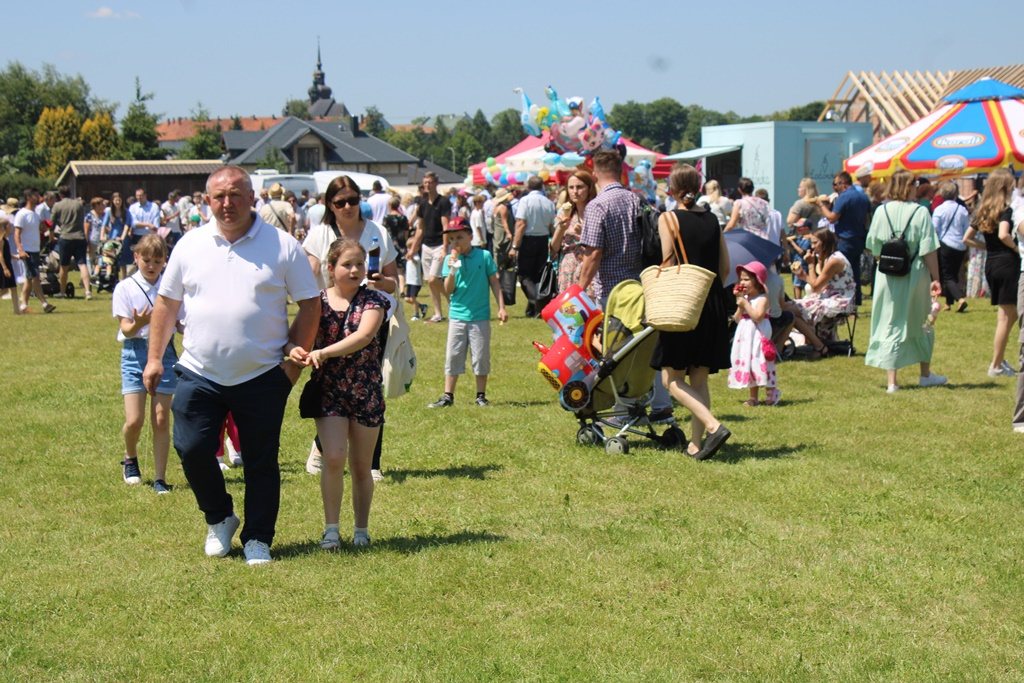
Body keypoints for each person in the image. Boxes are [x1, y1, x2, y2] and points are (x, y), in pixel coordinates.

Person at [143, 165, 321, 566]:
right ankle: (220, 516)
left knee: (260, 460)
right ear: (207, 200)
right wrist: (155, 358)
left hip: (262, 374)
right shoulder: (189, 244)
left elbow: (310, 303)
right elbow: (167, 303)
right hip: (199, 371)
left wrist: (295, 358)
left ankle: (258, 538)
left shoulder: (282, 245)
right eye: (219, 196)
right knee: (191, 448)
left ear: (252, 197)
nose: (227, 203)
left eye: (236, 194)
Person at [303, 174, 398, 481]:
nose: (347, 207)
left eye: (353, 200)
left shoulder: (377, 232)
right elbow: (307, 274)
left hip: (371, 315)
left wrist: (382, 282)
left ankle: (372, 462)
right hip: (331, 318)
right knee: (331, 386)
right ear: (330, 205)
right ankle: (322, 446)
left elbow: (394, 282)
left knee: (370, 388)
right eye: (340, 202)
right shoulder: (319, 234)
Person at [297, 238, 388, 549]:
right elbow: (295, 336)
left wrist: (324, 352)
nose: (354, 270)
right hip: (329, 390)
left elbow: (364, 336)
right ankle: (331, 531)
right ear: (330, 268)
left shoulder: (373, 300)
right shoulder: (316, 302)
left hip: (366, 390)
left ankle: (361, 530)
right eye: (347, 264)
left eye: (359, 264)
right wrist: (295, 350)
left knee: (362, 466)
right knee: (334, 458)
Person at [649, 164, 731, 459]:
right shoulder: (712, 219)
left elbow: (669, 264)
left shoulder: (668, 218)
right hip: (712, 302)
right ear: (698, 186)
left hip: (683, 304)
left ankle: (713, 426)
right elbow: (725, 268)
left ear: (671, 189)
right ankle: (696, 445)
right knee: (699, 378)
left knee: (670, 379)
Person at [112, 235, 183, 493]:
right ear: (136, 258)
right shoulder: (125, 287)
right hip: (134, 353)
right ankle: (130, 458)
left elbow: (181, 324)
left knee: (161, 419)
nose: (151, 265)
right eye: (146, 260)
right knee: (135, 420)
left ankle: (160, 478)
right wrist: (140, 322)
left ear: (165, 261)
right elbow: (126, 329)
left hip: (165, 352)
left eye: (157, 260)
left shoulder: (172, 288)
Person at [864, 170, 946, 392]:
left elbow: (874, 247)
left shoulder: (881, 211)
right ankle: (925, 374)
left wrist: (890, 262)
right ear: (908, 186)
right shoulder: (921, 212)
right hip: (915, 273)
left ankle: (892, 381)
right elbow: (929, 249)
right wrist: (936, 278)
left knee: (890, 320)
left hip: (887, 276)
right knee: (922, 320)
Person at [427, 217, 508, 408]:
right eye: (452, 239)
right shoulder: (449, 260)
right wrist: (452, 271)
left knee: (480, 357)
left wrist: (501, 307)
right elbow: (448, 290)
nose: (455, 242)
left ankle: (481, 395)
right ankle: (448, 396)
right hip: (457, 316)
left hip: (480, 316)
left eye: (459, 237)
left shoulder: (484, 256)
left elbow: (494, 283)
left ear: (470, 237)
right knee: (453, 356)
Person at [964, 168, 1019, 378]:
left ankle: (1000, 359)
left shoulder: (983, 209)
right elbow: (1004, 234)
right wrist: (1016, 248)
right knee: (1006, 317)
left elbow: (967, 238)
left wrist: (987, 247)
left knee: (1009, 315)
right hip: (1007, 263)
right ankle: (995, 365)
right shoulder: (1006, 209)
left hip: (992, 263)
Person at [787, 227, 856, 358]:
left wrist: (810, 265)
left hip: (840, 301)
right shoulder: (830, 258)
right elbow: (817, 284)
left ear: (825, 242)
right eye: (812, 243)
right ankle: (815, 343)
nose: (812, 247)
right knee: (788, 306)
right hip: (828, 297)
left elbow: (815, 287)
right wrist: (805, 276)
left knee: (791, 310)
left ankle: (818, 345)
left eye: (815, 243)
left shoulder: (834, 261)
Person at [729, 262, 780, 406]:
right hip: (746, 336)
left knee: (761, 360)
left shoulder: (763, 299)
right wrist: (741, 306)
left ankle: (771, 392)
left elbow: (758, 317)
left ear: (757, 281)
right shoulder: (745, 299)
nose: (742, 282)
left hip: (759, 335)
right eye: (741, 279)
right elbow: (737, 319)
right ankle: (753, 397)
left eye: (746, 279)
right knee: (749, 363)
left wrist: (746, 305)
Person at [820, 171, 872, 305]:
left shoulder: (844, 197)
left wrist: (821, 206)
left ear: (843, 183)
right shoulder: (863, 196)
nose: (835, 187)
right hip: (859, 239)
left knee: (843, 273)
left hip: (845, 240)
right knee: (855, 272)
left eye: (836, 184)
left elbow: (832, 218)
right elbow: (867, 219)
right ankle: (856, 301)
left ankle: (845, 301)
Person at [510, 175, 556, 317]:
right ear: (542, 186)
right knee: (538, 275)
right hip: (543, 240)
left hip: (528, 240)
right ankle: (532, 310)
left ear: (528, 187)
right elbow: (552, 226)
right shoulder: (549, 202)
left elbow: (521, 224)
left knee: (524, 276)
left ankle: (537, 302)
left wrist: (515, 246)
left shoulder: (525, 201)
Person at [549, 169, 597, 298]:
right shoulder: (565, 212)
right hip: (568, 269)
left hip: (589, 268)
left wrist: (585, 234)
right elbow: (554, 249)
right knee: (570, 307)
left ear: (589, 188)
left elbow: (603, 246)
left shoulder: (596, 212)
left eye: (580, 187)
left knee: (589, 306)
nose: (575, 191)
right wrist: (561, 229)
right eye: (571, 187)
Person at [13, 189, 56, 314]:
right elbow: (17, 233)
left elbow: (37, 231)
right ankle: (44, 303)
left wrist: (43, 228)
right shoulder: (22, 214)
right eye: (35, 195)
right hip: (27, 250)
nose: (38, 197)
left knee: (29, 279)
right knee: (35, 277)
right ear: (28, 197)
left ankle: (23, 305)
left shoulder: (35, 215)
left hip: (35, 249)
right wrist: (20, 250)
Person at [415, 172, 451, 323]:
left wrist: (445, 248)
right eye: (425, 183)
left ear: (436, 183)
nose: (427, 185)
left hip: (439, 245)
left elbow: (445, 226)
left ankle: (451, 300)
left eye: (430, 182)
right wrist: (413, 248)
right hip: (426, 246)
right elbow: (420, 228)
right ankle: (438, 313)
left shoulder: (443, 202)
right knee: (431, 282)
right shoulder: (422, 204)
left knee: (432, 279)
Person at [931, 180, 970, 313]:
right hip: (960, 245)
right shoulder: (962, 209)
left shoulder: (939, 209)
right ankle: (948, 303)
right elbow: (966, 229)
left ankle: (960, 299)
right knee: (953, 275)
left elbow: (934, 228)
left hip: (945, 244)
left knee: (947, 276)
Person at [51, 186, 92, 300]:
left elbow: (52, 223)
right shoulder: (78, 205)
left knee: (64, 266)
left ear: (60, 195)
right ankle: (87, 291)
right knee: (82, 264)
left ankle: (62, 292)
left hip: (66, 237)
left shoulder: (57, 205)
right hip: (80, 237)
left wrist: (51, 237)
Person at [101, 191, 135, 280]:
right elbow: (104, 225)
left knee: (123, 262)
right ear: (112, 201)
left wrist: (122, 238)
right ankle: (112, 278)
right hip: (112, 237)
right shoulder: (109, 212)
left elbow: (127, 226)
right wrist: (102, 236)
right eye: (116, 200)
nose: (118, 202)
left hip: (123, 238)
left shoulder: (126, 212)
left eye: (119, 200)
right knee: (111, 260)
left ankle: (123, 279)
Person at [85, 197, 106, 277]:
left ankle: (97, 275)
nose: (104, 206)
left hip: (101, 241)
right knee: (91, 260)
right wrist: (86, 244)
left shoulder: (103, 215)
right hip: (92, 241)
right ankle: (89, 277)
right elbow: (86, 231)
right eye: (102, 204)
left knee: (100, 260)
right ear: (96, 205)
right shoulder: (89, 216)